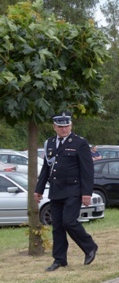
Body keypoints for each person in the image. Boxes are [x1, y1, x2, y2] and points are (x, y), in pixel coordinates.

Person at [35, 112, 98, 272]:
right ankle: (60, 259)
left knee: (69, 221)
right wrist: (39, 189)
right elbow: (46, 168)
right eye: (60, 126)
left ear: (71, 126)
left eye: (66, 126)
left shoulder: (79, 143)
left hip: (73, 190)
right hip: (56, 190)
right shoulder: (49, 143)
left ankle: (89, 247)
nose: (64, 129)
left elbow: (87, 170)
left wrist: (87, 192)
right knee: (57, 226)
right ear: (54, 127)